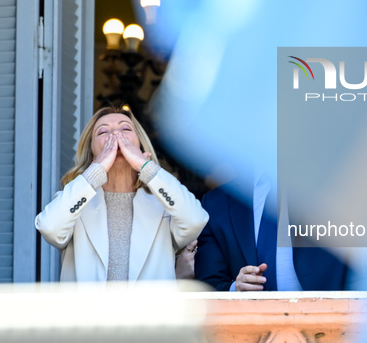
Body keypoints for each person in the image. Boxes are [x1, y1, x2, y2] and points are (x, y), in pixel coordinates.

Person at [35, 106, 208, 282]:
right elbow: (49, 226)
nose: (116, 135)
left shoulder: (163, 206)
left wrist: (146, 167)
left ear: (140, 145)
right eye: (103, 132)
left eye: (125, 128)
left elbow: (196, 219)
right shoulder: (75, 202)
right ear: (92, 152)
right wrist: (96, 170)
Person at [194, 177, 350, 291]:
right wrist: (236, 289)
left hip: (337, 325)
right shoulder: (217, 203)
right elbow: (208, 287)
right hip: (253, 329)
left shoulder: (343, 187)